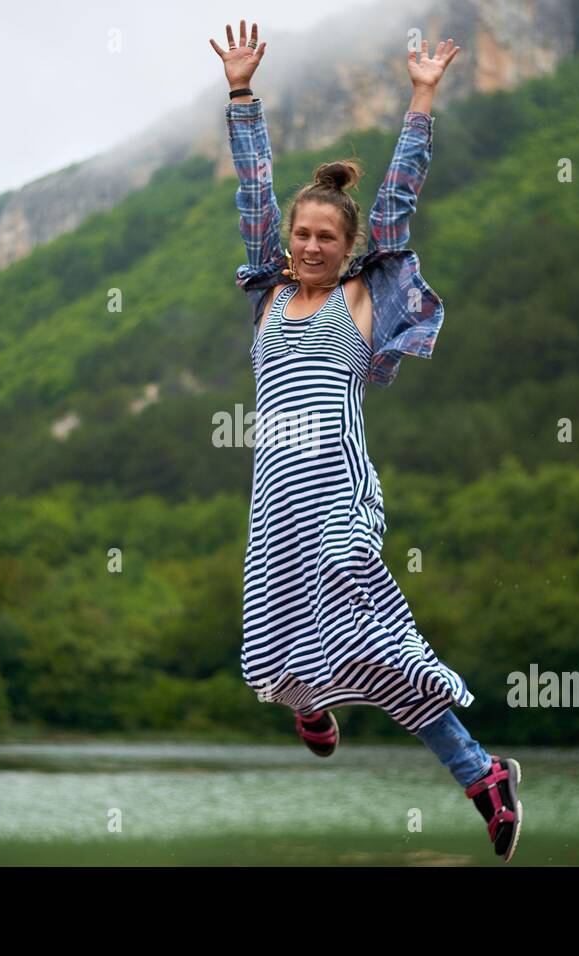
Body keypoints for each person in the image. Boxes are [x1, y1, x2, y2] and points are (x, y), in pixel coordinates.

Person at [211, 19, 522, 861]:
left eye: (326, 238)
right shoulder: (267, 292)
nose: (310, 245)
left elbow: (401, 196)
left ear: (350, 250)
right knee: (270, 645)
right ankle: (333, 714)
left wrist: (422, 96)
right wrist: (242, 93)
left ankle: (464, 766)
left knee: (376, 636)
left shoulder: (361, 296)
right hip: (274, 502)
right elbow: (253, 186)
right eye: (301, 235)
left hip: (339, 495)